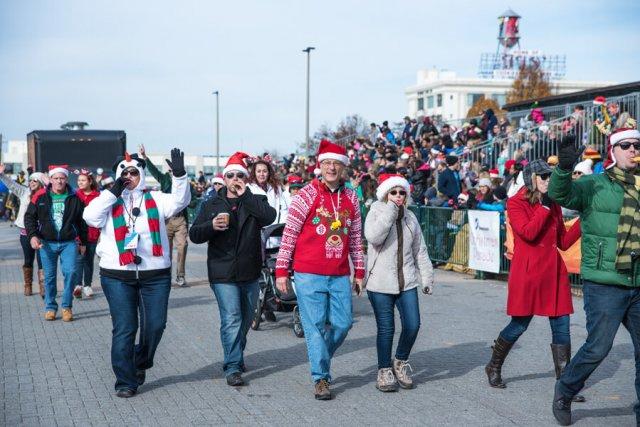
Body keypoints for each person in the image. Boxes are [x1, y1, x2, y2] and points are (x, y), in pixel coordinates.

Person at [549, 130, 640, 425]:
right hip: (604, 282)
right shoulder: (594, 184)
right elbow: (560, 195)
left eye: (637, 146)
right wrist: (563, 169)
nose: (632, 150)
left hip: (638, 283)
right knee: (599, 348)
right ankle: (566, 387)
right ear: (613, 151)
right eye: (625, 145)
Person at [83, 149, 190, 398]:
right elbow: (90, 217)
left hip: (155, 274)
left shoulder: (156, 199)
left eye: (134, 172)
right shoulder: (108, 199)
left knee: (155, 325)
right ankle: (125, 380)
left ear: (141, 175)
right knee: (125, 327)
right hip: (117, 274)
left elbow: (180, 201)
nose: (130, 176)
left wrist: (180, 175)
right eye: (125, 173)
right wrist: (114, 191)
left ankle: (140, 361)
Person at [275, 139, 365, 400]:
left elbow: (356, 238)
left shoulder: (351, 197)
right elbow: (289, 235)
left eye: (336, 163)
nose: (331, 167)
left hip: (339, 273)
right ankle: (321, 378)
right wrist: (281, 271)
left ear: (343, 168)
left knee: (344, 323)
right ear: (319, 166)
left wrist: (359, 271)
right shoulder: (306, 194)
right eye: (326, 163)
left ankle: (319, 355)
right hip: (308, 272)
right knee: (314, 326)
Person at [484, 160, 583, 398]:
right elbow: (528, 232)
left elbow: (563, 242)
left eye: (550, 176)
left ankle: (565, 386)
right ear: (531, 179)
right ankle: (494, 365)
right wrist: (546, 207)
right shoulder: (516, 202)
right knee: (519, 325)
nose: (549, 180)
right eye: (543, 176)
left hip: (553, 273)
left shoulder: (553, 202)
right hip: (527, 273)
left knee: (562, 328)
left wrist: (584, 219)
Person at [189, 152, 276, 387]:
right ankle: (233, 366)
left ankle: (236, 351)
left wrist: (246, 195)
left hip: (249, 269)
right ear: (224, 179)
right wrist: (211, 226)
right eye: (230, 175)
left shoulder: (255, 200)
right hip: (222, 270)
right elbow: (194, 235)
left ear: (245, 179)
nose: (235, 178)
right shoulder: (211, 204)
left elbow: (269, 217)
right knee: (232, 318)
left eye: (239, 175)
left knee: (246, 318)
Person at [363, 173, 434, 392]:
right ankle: (384, 370)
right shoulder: (376, 211)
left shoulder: (411, 217)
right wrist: (390, 213)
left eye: (402, 192)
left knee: (413, 325)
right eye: (393, 192)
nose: (398, 196)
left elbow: (419, 250)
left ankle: (400, 361)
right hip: (381, 282)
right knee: (386, 329)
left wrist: (427, 276)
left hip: (407, 281)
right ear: (385, 194)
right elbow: (373, 237)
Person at [24, 165, 88, 321]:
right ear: (50, 179)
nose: (59, 181)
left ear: (66, 179)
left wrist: (83, 242)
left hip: (69, 242)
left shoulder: (75, 196)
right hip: (46, 243)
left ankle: (66, 306)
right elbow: (29, 217)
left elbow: (82, 221)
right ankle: (50, 307)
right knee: (50, 277)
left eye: (62, 178)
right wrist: (33, 236)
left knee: (71, 272)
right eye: (56, 178)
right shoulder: (39, 196)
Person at [139, 144, 196, 287]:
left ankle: (180, 275)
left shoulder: (185, 184)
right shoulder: (164, 179)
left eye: (174, 170)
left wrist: (186, 202)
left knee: (182, 246)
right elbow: (153, 171)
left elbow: (194, 202)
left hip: (180, 219)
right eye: (170, 170)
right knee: (167, 249)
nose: (172, 172)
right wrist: (145, 158)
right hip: (166, 220)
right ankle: (167, 274)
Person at [0, 164, 47, 296]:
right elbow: (12, 185)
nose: (31, 183)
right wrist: (2, 175)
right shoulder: (24, 192)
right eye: (30, 180)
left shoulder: (47, 195)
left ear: (41, 183)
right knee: (28, 260)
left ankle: (43, 287)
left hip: (42, 233)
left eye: (35, 180)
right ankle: (28, 285)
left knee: (42, 260)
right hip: (26, 233)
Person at [72, 169, 101, 299]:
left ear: (90, 181)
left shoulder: (98, 196)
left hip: (93, 233)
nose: (80, 183)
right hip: (77, 233)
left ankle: (87, 285)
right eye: (79, 180)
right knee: (79, 259)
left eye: (83, 180)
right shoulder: (75, 195)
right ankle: (78, 285)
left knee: (89, 259)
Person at [248, 159, 289, 224]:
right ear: (254, 173)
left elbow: (283, 207)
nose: (262, 174)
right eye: (258, 171)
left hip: (274, 228)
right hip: (256, 229)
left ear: (269, 172)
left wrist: (282, 224)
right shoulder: (249, 188)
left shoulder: (276, 187)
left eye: (264, 171)